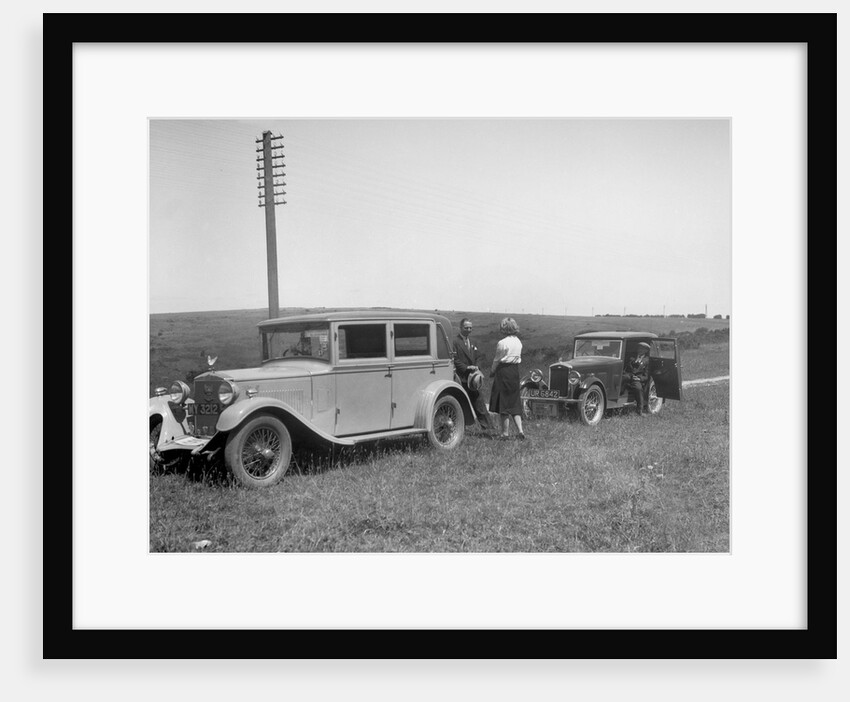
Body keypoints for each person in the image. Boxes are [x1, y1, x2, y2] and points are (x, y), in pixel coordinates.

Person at [453, 318, 493, 433]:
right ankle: (460, 429)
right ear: (460, 328)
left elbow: (479, 356)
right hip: (461, 378)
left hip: (474, 378)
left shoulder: (473, 341)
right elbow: (455, 359)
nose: (469, 330)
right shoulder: (455, 342)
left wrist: (477, 367)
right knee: (460, 403)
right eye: (466, 328)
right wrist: (466, 368)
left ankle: (488, 427)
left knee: (479, 402)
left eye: (470, 328)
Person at [489, 317, 526, 440]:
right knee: (514, 402)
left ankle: (505, 433)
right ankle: (520, 431)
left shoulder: (502, 343)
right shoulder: (518, 342)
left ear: (504, 328)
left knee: (503, 403)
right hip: (514, 372)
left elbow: (497, 359)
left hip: (503, 372)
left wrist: (492, 371)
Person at [623, 341, 651, 415]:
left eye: (642, 348)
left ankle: (640, 409)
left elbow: (646, 375)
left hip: (636, 379)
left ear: (646, 350)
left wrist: (639, 378)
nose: (640, 350)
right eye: (639, 348)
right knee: (619, 381)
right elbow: (625, 367)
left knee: (638, 388)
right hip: (628, 376)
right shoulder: (631, 357)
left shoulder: (647, 361)